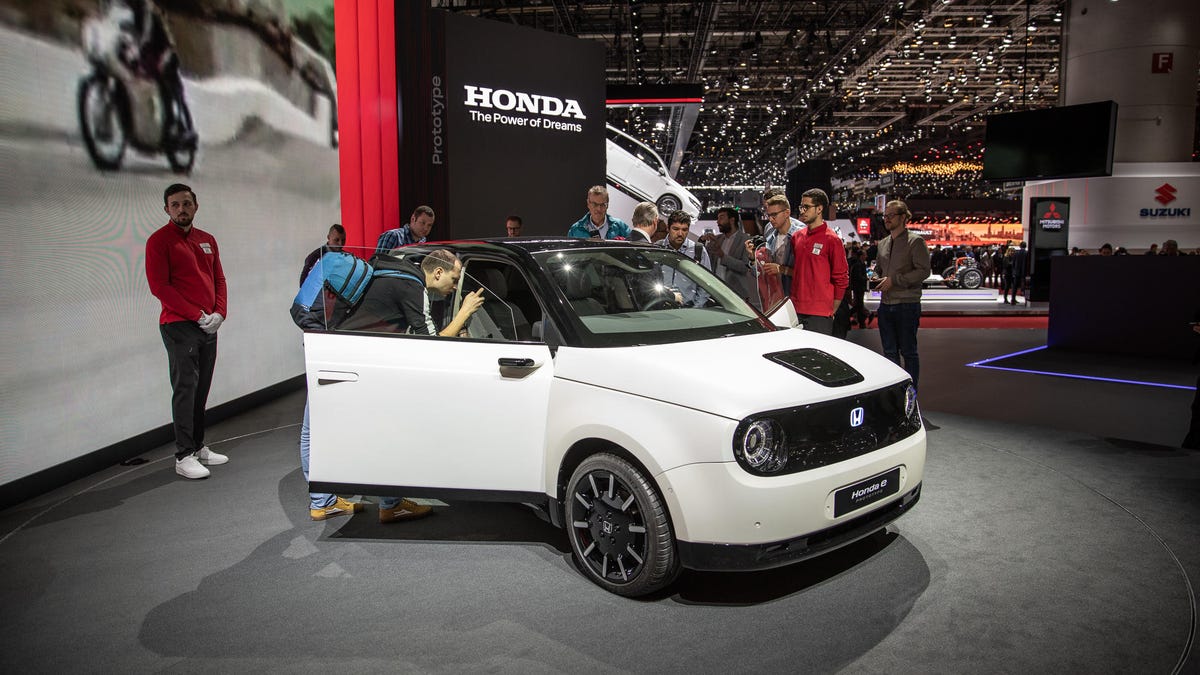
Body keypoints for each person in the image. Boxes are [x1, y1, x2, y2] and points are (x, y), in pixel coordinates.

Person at [340, 249, 486, 522]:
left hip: (347, 353)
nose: (455, 287)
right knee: (392, 432)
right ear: (438, 272)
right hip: (356, 361)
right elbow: (432, 345)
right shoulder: (413, 287)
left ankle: (343, 501)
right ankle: (387, 504)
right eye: (454, 279)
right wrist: (464, 312)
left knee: (337, 428)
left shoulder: (400, 276)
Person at [145, 183, 229, 479]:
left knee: (201, 387)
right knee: (185, 390)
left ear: (195, 205)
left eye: (186, 203)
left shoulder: (207, 240)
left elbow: (218, 279)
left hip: (208, 325)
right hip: (178, 325)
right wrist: (197, 315)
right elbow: (160, 287)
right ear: (166, 209)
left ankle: (198, 446)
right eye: (175, 205)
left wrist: (220, 313)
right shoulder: (159, 241)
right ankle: (183, 455)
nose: (181, 209)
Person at [874, 200, 931, 389]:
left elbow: (923, 271)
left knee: (908, 352)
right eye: (885, 216)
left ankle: (911, 394)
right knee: (889, 353)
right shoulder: (883, 243)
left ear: (903, 217)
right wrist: (875, 277)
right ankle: (895, 392)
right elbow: (879, 268)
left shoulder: (915, 242)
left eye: (891, 215)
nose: (886, 219)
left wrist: (895, 280)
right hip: (885, 304)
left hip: (907, 304)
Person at [789, 189, 848, 334]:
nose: (802, 211)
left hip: (820, 314)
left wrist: (832, 309)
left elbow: (841, 278)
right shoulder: (796, 237)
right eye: (801, 207)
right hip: (796, 309)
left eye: (806, 207)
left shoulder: (832, 240)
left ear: (819, 209)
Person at [700, 206, 757, 307]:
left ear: (732, 220)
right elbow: (704, 260)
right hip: (715, 292)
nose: (718, 222)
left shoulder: (746, 240)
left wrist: (722, 256)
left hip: (736, 294)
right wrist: (702, 241)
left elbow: (744, 267)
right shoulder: (717, 239)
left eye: (721, 218)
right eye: (717, 218)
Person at [656, 210, 712, 307]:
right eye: (676, 229)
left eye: (684, 230)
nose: (680, 233)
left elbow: (706, 284)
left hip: (688, 308)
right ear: (668, 228)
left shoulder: (698, 250)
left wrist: (696, 309)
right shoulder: (657, 248)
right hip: (659, 307)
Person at [1007, 240, 1028, 305]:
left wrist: (1013, 271)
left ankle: (1013, 300)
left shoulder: (1016, 253)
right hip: (1024, 272)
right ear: (1025, 246)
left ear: (1020, 246)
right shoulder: (1027, 253)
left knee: (1015, 286)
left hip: (1016, 272)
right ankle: (1026, 301)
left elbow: (1013, 263)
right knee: (1025, 287)